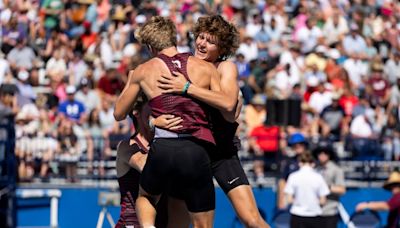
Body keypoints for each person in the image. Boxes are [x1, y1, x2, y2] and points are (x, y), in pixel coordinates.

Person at [157, 15, 269, 227]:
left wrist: (187, 88)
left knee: (252, 219)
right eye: (200, 37)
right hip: (191, 152)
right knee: (180, 222)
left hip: (222, 152)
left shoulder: (225, 67)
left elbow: (227, 106)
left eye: (210, 41)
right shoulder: (184, 64)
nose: (202, 44)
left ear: (222, 47)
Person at [113, 16, 226, 228]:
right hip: (196, 149)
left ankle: (147, 227)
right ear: (173, 38)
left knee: (146, 197)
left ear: (150, 46)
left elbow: (119, 113)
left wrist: (133, 80)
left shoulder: (144, 70)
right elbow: (223, 111)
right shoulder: (204, 67)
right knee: (201, 221)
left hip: (164, 147)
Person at [115, 95, 188, 228]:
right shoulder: (126, 147)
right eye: (153, 108)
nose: (159, 113)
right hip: (133, 223)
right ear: (136, 112)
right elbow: (149, 168)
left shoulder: (164, 145)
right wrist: (153, 124)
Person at [284, 152, 330, 228]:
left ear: (300, 163)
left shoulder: (293, 176)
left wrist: (300, 203)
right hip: (314, 215)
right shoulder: (318, 177)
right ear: (313, 164)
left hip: (297, 215)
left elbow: (289, 199)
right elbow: (323, 201)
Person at [313, 145, 346, 228]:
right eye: (320, 153)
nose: (322, 155)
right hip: (314, 211)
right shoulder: (315, 169)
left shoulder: (336, 170)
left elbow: (342, 190)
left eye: (325, 153)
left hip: (329, 211)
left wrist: (326, 187)